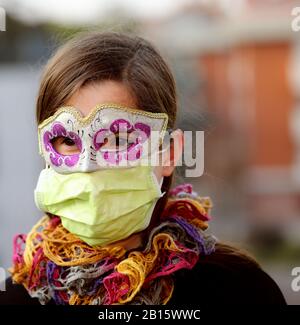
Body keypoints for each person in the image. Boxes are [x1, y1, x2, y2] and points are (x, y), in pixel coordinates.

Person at [0, 31, 286, 305]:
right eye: (67, 140)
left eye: (118, 140)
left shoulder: (239, 291)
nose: (87, 166)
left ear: (168, 153)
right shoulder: (19, 295)